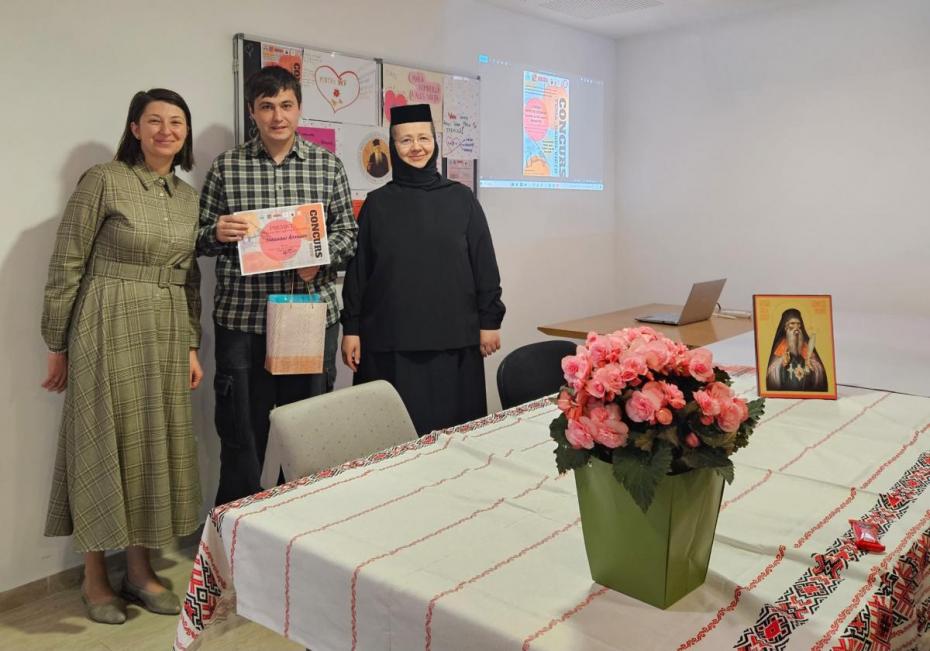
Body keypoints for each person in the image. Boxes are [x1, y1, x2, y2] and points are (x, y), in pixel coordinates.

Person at [41, 89, 203, 624]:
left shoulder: (188, 197)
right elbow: (67, 262)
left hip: (166, 328)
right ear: (135, 128)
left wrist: (191, 343)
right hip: (106, 320)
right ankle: (94, 577)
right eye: (154, 120)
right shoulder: (104, 180)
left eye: (176, 122)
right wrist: (57, 343)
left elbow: (191, 279)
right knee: (100, 442)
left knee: (149, 444)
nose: (165, 130)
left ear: (185, 133)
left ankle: (138, 569)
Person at [198, 65, 357, 505]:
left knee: (307, 427)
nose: (277, 116)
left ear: (299, 109)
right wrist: (218, 232)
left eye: (286, 105)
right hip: (243, 319)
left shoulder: (327, 166)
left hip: (308, 314)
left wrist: (319, 257)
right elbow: (199, 238)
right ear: (252, 111)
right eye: (267, 107)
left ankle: (304, 517)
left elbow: (348, 235)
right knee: (242, 431)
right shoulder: (227, 167)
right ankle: (239, 528)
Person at [341, 104, 505, 435]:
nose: (416, 147)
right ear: (392, 147)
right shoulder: (377, 204)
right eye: (405, 140)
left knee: (456, 438)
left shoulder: (462, 199)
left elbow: (484, 264)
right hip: (390, 343)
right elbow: (359, 273)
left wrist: (490, 321)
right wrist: (351, 328)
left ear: (434, 142)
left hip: (454, 342)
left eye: (424, 138)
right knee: (393, 439)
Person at [765, 308, 828, 391]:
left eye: (798, 324)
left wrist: (811, 364)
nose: (796, 327)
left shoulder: (805, 345)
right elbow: (771, 371)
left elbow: (819, 367)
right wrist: (782, 362)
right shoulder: (781, 345)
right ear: (785, 327)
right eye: (792, 323)